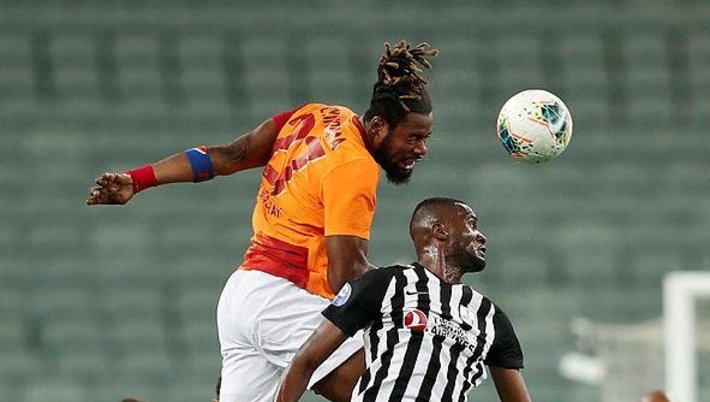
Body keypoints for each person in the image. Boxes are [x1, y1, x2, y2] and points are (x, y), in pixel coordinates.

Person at [86, 41, 438, 402]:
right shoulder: (354, 166)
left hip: (243, 295)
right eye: (412, 137)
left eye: (425, 138)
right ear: (378, 126)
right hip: (283, 300)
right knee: (392, 391)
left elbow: (231, 155)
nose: (421, 149)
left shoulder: (316, 115)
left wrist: (139, 179)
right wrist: (418, 290)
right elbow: (344, 276)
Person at [276, 197, 531, 402]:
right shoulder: (384, 284)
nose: (481, 236)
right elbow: (306, 360)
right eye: (471, 224)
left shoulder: (490, 317)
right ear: (440, 231)